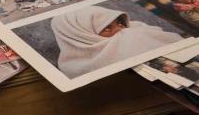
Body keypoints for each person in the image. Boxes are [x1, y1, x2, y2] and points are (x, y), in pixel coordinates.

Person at [51, 6, 182, 78]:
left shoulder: (136, 28)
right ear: (82, 35)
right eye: (107, 28)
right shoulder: (73, 66)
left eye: (120, 23)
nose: (120, 29)